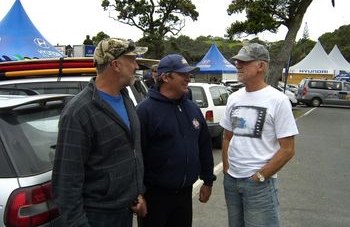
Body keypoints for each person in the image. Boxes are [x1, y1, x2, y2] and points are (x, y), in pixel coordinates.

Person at [52, 38, 148, 227]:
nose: (137, 66)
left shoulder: (125, 98)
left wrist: (138, 193)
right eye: (132, 60)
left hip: (125, 211)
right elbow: (66, 183)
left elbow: (129, 152)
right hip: (97, 217)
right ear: (116, 64)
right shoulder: (79, 112)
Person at [220, 43, 299, 227]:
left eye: (244, 62)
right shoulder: (234, 98)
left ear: (261, 66)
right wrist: (226, 170)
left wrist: (260, 176)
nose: (238, 65)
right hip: (232, 181)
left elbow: (288, 149)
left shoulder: (278, 101)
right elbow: (227, 136)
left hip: (259, 185)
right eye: (237, 61)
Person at [136, 54, 216, 227]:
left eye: (189, 73)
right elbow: (135, 156)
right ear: (165, 77)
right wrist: (138, 193)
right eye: (183, 74)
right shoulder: (145, 111)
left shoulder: (192, 108)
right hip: (154, 196)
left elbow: (204, 146)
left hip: (185, 195)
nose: (188, 78)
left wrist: (208, 180)